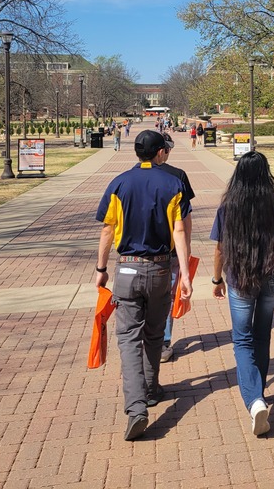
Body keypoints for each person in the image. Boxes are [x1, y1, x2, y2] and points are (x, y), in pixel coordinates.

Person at [94, 130, 192, 441]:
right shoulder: (173, 184)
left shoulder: (119, 183)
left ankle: (137, 407)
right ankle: (151, 388)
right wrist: (186, 274)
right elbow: (179, 232)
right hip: (161, 268)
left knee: (128, 339)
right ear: (160, 152)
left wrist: (101, 269)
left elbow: (108, 231)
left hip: (126, 269)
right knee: (154, 333)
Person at [210, 151, 274, 435]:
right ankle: (257, 392)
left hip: (240, 278)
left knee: (242, 340)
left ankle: (254, 400)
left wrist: (216, 280)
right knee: (262, 335)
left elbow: (220, 250)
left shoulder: (228, 207)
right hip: (272, 277)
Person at [154, 133, 196, 362]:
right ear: (164, 151)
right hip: (169, 249)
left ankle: (146, 341)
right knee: (167, 298)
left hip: (134, 254)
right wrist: (186, 249)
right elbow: (185, 219)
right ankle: (162, 342)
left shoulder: (126, 178)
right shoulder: (178, 176)